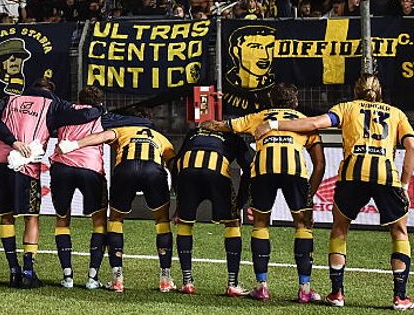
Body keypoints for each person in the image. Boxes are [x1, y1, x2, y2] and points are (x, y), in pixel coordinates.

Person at [257, 74, 414, 311]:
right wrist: (404, 184)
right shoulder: (396, 113)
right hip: (386, 176)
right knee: (399, 232)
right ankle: (400, 297)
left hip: (352, 175)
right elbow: (412, 147)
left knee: (340, 230)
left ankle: (337, 293)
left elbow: (313, 124)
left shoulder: (346, 108)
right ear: (380, 91)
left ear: (356, 90)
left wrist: (274, 124)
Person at [0, 80, 123, 288]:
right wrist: (100, 109)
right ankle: (32, 271)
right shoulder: (54, 104)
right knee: (32, 217)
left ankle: (14, 270)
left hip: (0, 160)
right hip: (31, 164)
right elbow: (85, 115)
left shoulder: (11, 99)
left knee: (7, 217)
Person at [206, 83, 326, 302]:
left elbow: (223, 126)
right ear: (295, 101)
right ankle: (305, 290)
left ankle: (262, 287)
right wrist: (310, 192)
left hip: (263, 170)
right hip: (295, 171)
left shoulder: (259, 116)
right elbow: (320, 163)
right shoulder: (304, 121)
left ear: (271, 101)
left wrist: (206, 124)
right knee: (303, 225)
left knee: (261, 224)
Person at [59, 108, 173, 293]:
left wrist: (72, 145)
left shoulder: (123, 129)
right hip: (153, 171)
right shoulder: (160, 137)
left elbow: (99, 137)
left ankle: (117, 278)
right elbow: (173, 161)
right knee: (161, 220)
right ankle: (165, 279)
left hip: (125, 169)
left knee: (116, 220)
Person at [48, 85, 127, 290]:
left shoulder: (64, 111)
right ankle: (92, 277)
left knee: (62, 221)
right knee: (99, 221)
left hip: (62, 166)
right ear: (100, 102)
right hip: (91, 168)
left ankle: (67, 276)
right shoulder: (103, 116)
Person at [170, 119, 252, 295]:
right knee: (231, 223)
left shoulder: (193, 133)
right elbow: (249, 167)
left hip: (187, 172)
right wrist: (240, 203)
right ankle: (232, 284)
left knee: (184, 222)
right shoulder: (234, 136)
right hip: (216, 173)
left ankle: (187, 282)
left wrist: (179, 202)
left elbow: (176, 162)